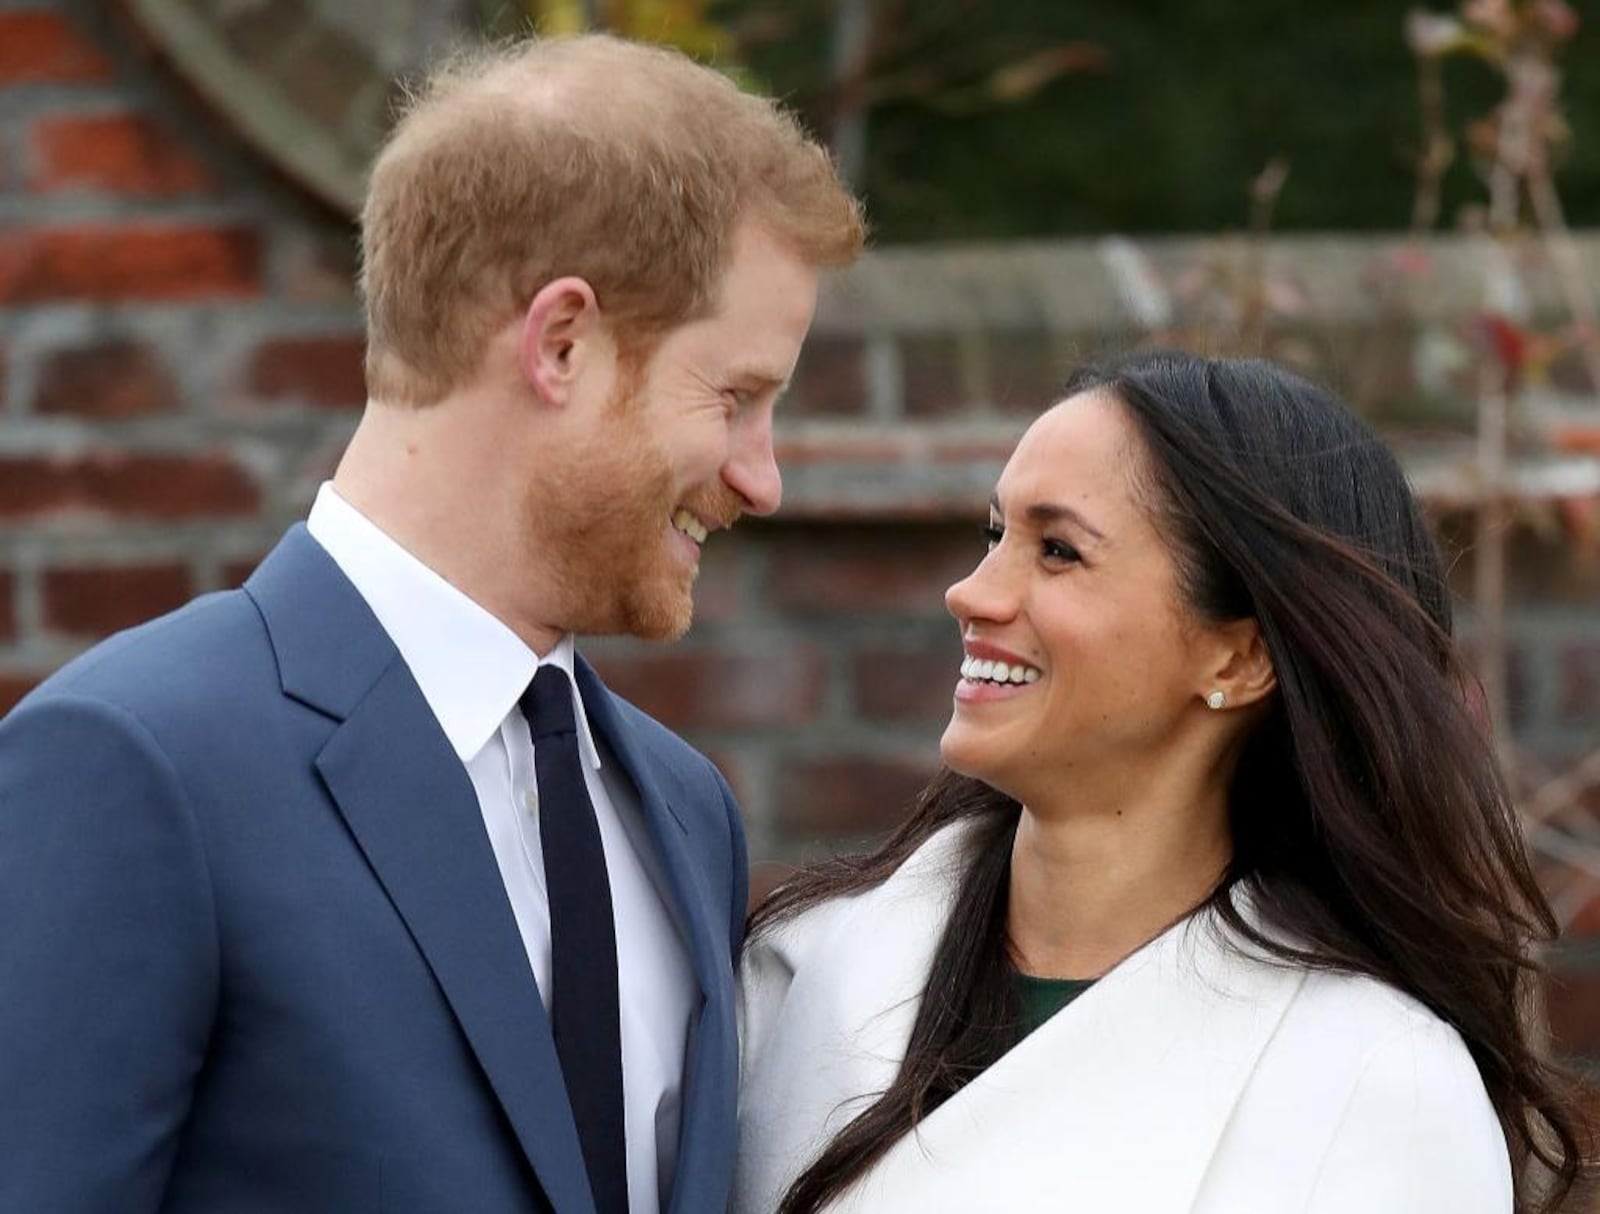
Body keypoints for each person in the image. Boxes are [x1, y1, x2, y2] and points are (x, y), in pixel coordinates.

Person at [0, 33, 862, 1214]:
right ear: (562, 343)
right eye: (738, 398)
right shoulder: (137, 761)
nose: (763, 479)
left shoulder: (682, 809)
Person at [736, 350, 1585, 1214]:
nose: (972, 593)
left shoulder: (1372, 1085)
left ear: (1240, 655)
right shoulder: (800, 970)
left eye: (1059, 551)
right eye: (997, 536)